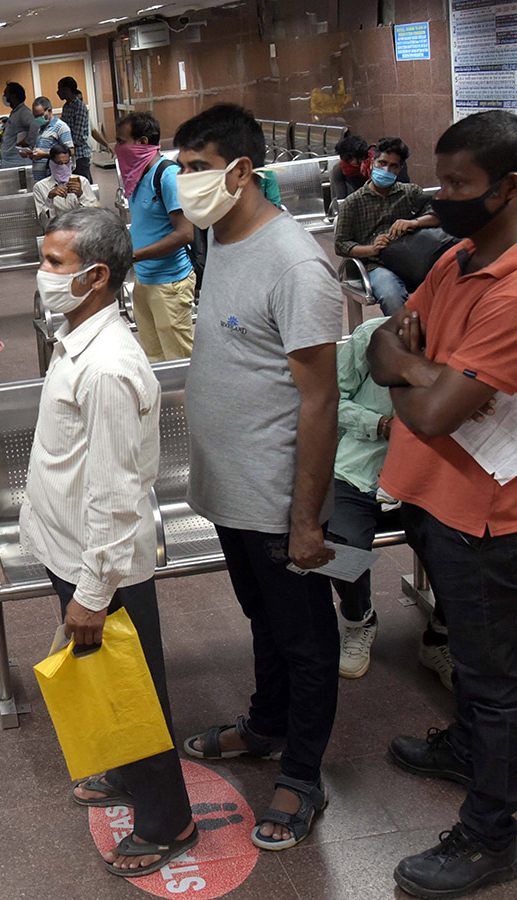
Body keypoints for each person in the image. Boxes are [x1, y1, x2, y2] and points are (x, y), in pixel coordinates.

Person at [175, 104, 343, 852]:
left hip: (277, 499)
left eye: (197, 167)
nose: (185, 183)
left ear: (241, 171)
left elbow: (320, 399)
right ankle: (267, 725)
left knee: (306, 640)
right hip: (228, 489)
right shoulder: (221, 237)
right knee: (263, 620)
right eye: (181, 168)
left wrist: (305, 520)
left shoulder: (296, 263)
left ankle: (302, 778)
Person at [367, 110, 517, 900]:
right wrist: (427, 369)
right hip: (437, 498)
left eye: (462, 184)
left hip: (491, 515)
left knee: (496, 681)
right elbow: (378, 342)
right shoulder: (457, 258)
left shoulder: (514, 289)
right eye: (442, 177)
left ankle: (493, 834)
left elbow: (426, 411)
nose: (444, 196)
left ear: (510, 187)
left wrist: (418, 369)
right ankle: (469, 747)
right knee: (469, 660)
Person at [21, 207, 198, 878]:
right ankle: (127, 773)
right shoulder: (78, 341)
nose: (41, 275)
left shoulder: (107, 368)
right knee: (109, 675)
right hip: (70, 548)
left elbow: (118, 494)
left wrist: (93, 594)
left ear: (97, 276)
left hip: (101, 566)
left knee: (133, 686)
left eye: (54, 264)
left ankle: (168, 820)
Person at [328, 316, 451, 683]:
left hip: (426, 475)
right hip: (360, 468)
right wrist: (381, 424)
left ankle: (440, 635)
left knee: (458, 544)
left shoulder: (469, 345)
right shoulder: (374, 336)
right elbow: (332, 399)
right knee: (342, 542)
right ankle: (358, 618)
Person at [114, 112, 196, 362]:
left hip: (169, 284)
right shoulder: (138, 176)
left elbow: (185, 232)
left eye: (121, 141)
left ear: (141, 142)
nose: (117, 148)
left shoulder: (167, 176)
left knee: (179, 359)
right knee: (154, 359)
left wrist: (134, 255)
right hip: (144, 280)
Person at [334, 136, 439, 315]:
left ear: (400, 169)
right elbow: (341, 244)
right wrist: (372, 249)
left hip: (412, 259)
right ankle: (403, 337)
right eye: (382, 163)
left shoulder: (410, 192)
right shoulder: (354, 202)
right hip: (377, 266)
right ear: (372, 163)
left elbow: (437, 216)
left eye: (393, 166)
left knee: (447, 284)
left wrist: (414, 222)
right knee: (392, 295)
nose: (386, 169)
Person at [56, 76, 110, 181]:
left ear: (67, 89)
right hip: (70, 154)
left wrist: (63, 145)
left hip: (80, 155)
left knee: (85, 186)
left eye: (59, 89)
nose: (58, 92)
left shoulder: (79, 107)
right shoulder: (66, 107)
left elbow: (78, 136)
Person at [32, 143, 99, 227]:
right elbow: (44, 223)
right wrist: (49, 199)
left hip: (80, 231)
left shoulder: (82, 182)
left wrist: (81, 196)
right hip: (57, 233)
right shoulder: (40, 187)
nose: (63, 167)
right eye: (59, 164)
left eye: (66, 163)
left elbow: (94, 215)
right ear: (51, 164)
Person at [21, 97, 74, 182]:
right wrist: (30, 154)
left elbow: (70, 151)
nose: (37, 119)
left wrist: (44, 155)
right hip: (41, 179)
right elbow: (40, 153)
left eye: (39, 115)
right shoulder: (41, 129)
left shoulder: (61, 127)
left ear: (49, 111)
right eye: (35, 116)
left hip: (54, 178)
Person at [0, 82, 36, 167]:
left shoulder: (23, 112)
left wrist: (27, 141)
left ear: (13, 96)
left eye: (6, 94)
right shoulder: (16, 113)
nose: (4, 97)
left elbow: (35, 126)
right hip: (10, 161)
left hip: (18, 162)